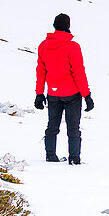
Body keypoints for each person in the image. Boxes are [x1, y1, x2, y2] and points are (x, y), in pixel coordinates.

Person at [34, 14, 94, 164]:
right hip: (72, 94)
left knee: (52, 126)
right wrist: (87, 95)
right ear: (68, 26)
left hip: (53, 93)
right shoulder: (73, 46)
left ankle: (50, 156)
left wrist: (39, 94)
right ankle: (74, 158)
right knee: (73, 128)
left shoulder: (43, 46)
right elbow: (78, 72)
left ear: (54, 26)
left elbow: (41, 71)